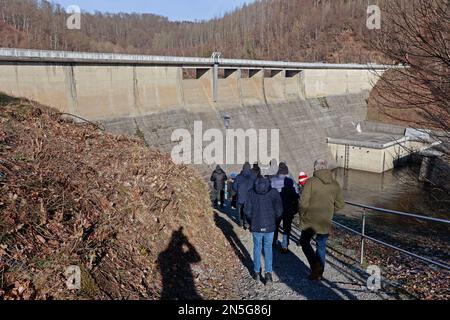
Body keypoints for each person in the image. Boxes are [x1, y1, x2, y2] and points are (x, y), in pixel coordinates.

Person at [299, 159, 345, 281]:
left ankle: (316, 267)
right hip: (325, 221)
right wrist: (330, 212)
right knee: (321, 245)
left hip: (310, 221)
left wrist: (302, 215)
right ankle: (319, 272)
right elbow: (340, 205)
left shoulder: (310, 182)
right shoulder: (335, 184)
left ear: (316, 169)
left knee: (304, 242)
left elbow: (303, 203)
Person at [244, 176, 283, 286]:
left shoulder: (251, 192)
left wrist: (252, 221)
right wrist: (274, 219)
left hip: (256, 225)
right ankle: (268, 274)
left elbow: (247, 211)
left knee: (257, 247)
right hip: (270, 226)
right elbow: (279, 210)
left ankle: (256, 272)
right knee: (268, 248)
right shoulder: (274, 192)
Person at [274, 178, 299, 254]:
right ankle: (284, 246)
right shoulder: (293, 191)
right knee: (286, 229)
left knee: (276, 227)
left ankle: (274, 243)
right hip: (288, 212)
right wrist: (294, 211)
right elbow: (296, 202)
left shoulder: (280, 192)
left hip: (279, 211)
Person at [232, 162, 255, 229]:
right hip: (249, 198)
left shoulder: (238, 177)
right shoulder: (253, 177)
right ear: (250, 168)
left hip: (240, 197)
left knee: (239, 211)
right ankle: (246, 224)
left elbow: (234, 186)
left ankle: (240, 223)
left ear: (243, 168)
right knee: (247, 211)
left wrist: (239, 191)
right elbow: (255, 187)